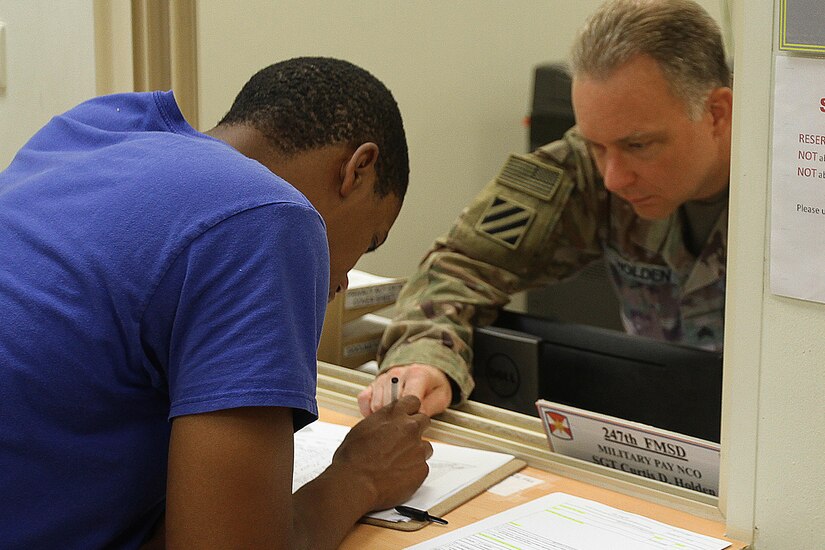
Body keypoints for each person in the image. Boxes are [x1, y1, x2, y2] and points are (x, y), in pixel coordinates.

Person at [0, 57, 433, 549]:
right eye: (371, 239)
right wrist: (361, 477)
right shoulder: (272, 217)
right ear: (358, 168)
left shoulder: (95, 127)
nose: (344, 283)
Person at [358, 0, 733, 418]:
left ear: (717, 114)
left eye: (638, 145)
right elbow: (462, 266)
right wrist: (425, 357)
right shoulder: (587, 163)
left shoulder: (801, 196)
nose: (612, 178)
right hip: (658, 425)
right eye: (596, 145)